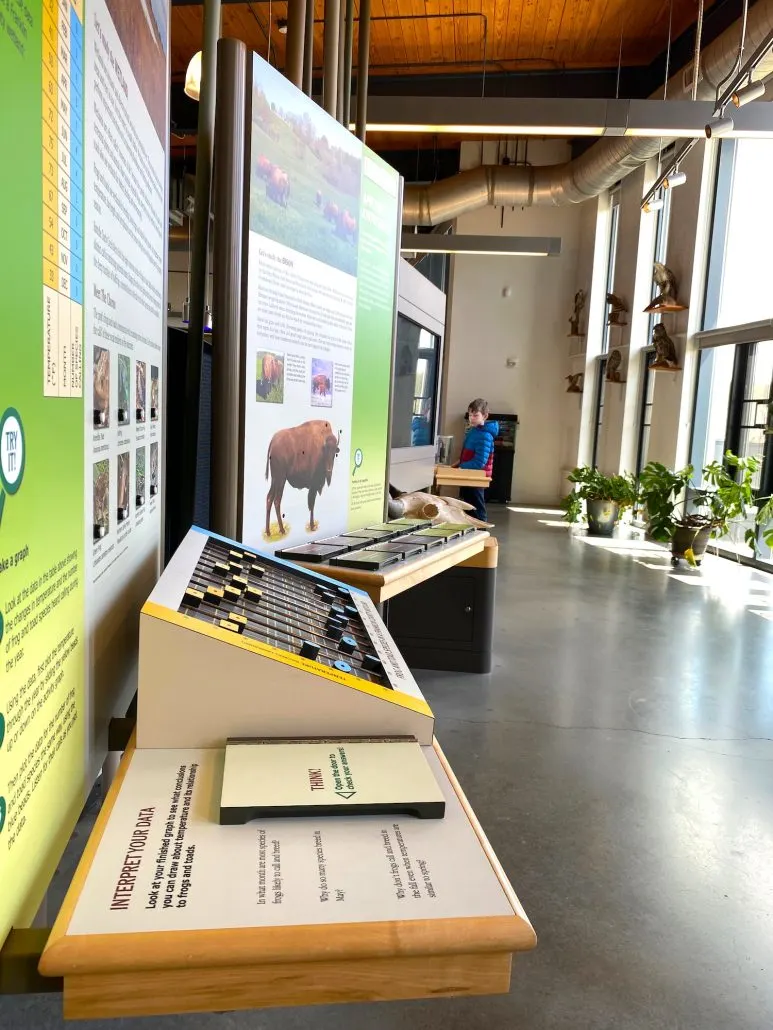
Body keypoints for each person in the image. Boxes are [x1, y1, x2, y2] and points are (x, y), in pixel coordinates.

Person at [454, 399, 499, 522]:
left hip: (476, 477)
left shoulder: (485, 435)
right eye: (470, 415)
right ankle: (472, 532)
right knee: (468, 506)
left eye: (475, 415)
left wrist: (462, 466)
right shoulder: (475, 431)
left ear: (485, 416)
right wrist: (458, 464)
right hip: (469, 474)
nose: (472, 418)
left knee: (477, 508)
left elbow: (479, 462)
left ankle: (482, 533)